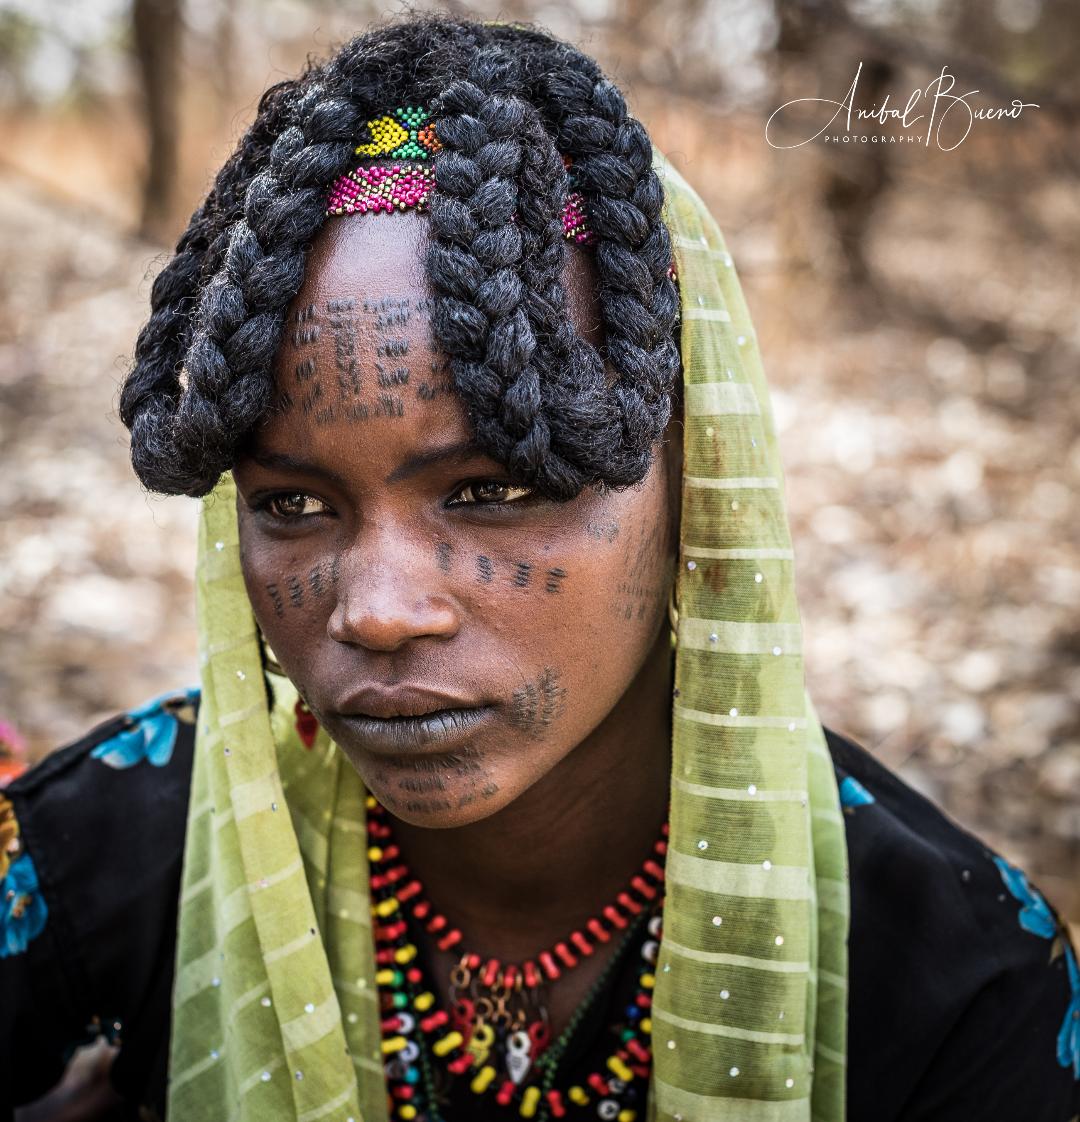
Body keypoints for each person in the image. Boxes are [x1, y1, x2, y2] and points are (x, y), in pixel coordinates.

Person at [2, 15, 1078, 1122]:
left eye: (494, 491)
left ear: (694, 476)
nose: (374, 614)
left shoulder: (954, 983)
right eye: (292, 505)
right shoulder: (114, 858)